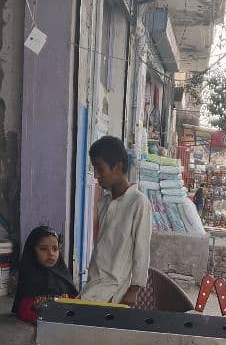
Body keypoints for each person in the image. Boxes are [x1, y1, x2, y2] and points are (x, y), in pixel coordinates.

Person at [81, 136, 152, 306]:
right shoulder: (105, 203)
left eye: (100, 169)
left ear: (118, 167)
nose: (96, 175)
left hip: (115, 290)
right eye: (95, 169)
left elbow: (142, 251)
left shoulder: (138, 202)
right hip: (94, 285)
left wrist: (134, 290)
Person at [12, 226, 77, 324]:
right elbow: (23, 311)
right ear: (32, 252)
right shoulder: (30, 279)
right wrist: (45, 320)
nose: (51, 253)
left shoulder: (63, 277)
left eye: (55, 249)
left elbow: (75, 303)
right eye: (43, 249)